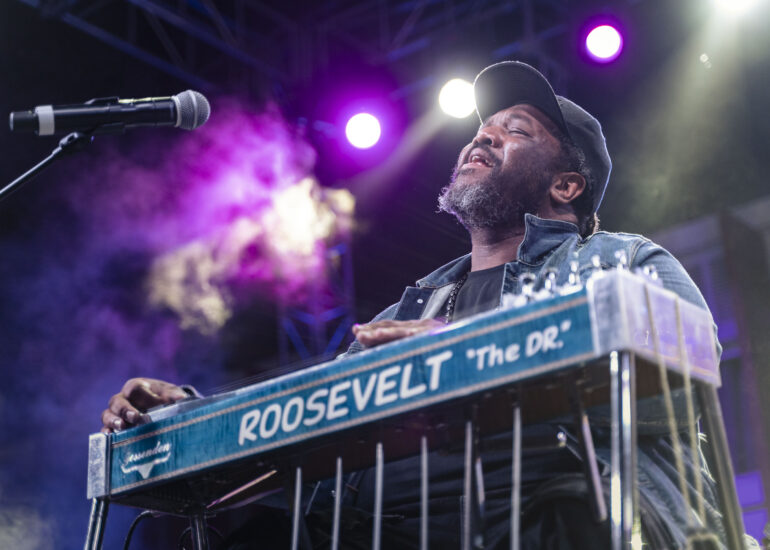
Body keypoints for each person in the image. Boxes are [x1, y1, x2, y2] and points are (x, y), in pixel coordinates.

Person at [101, 61, 726, 548]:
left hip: (554, 513)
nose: (484, 134)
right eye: (484, 126)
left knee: (563, 512)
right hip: (394, 531)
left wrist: (462, 359)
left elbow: (683, 358)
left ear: (565, 185)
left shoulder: (621, 261)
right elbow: (310, 415)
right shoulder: (421, 300)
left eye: (517, 130)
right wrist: (187, 420)